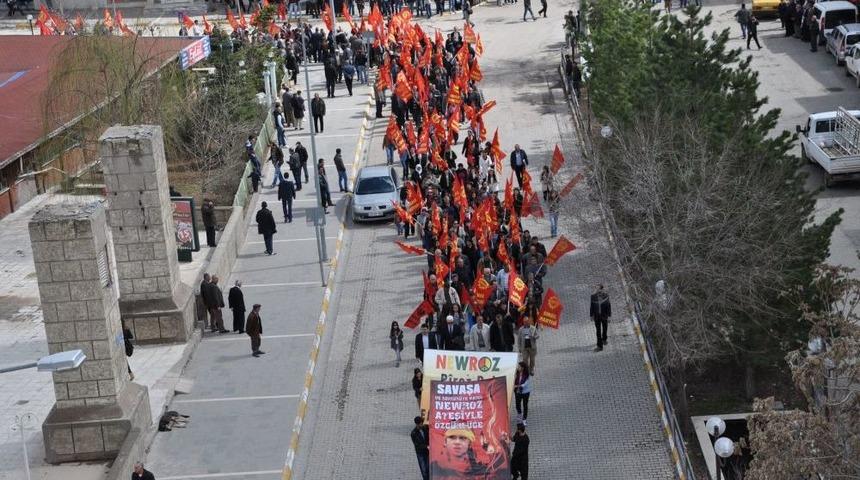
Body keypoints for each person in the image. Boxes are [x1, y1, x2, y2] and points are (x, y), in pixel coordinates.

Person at [589, 283, 611, 351]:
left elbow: (608, 306)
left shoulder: (606, 296)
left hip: (604, 316)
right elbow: (591, 306)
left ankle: (604, 339)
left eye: (598, 288)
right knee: (598, 331)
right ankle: (599, 346)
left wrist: (609, 316)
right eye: (596, 288)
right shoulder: (593, 297)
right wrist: (591, 315)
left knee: (605, 328)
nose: (597, 290)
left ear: (602, 289)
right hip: (597, 316)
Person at [410, 416, 430, 480]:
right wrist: (426, 446)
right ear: (417, 424)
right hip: (420, 453)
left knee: (428, 468)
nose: (422, 424)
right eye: (421, 424)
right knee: (423, 469)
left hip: (427, 452)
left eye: (422, 423)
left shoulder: (426, 428)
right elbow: (417, 445)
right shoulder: (414, 433)